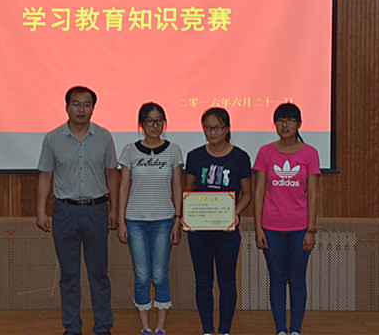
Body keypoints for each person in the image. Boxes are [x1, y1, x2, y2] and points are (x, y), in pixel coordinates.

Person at [36, 86, 119, 335]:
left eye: (86, 104)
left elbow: (112, 175)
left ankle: (103, 327)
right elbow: (45, 176)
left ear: (93, 108)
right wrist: (41, 211)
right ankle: (72, 328)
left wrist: (114, 209)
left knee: (99, 275)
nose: (81, 109)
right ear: (67, 107)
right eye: (76, 104)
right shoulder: (52, 139)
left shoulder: (103, 137)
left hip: (96, 210)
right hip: (65, 211)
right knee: (69, 275)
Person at [253, 103, 321, 335]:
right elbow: (259, 192)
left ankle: (296, 330)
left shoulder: (310, 153)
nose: (285, 125)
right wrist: (258, 228)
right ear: (275, 124)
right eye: (281, 120)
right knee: (277, 279)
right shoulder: (265, 152)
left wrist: (311, 230)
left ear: (299, 124)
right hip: (270, 227)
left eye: (291, 120)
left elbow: (313, 194)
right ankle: (281, 329)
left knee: (297, 279)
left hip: (300, 227)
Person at [184, 107, 252, 335]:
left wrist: (234, 213)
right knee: (203, 282)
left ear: (227, 129)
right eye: (208, 128)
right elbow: (188, 190)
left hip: (227, 230)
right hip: (199, 230)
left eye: (218, 128)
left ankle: (224, 330)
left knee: (227, 282)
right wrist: (189, 215)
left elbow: (247, 194)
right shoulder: (195, 156)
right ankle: (207, 329)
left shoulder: (240, 157)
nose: (212, 132)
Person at [117, 103, 183, 335]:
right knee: (142, 275)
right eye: (149, 121)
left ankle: (160, 327)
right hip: (135, 221)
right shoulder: (129, 151)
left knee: (160, 274)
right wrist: (121, 221)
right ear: (141, 124)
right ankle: (145, 327)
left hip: (164, 220)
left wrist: (177, 219)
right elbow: (123, 187)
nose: (154, 126)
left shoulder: (174, 150)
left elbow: (177, 186)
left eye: (159, 121)